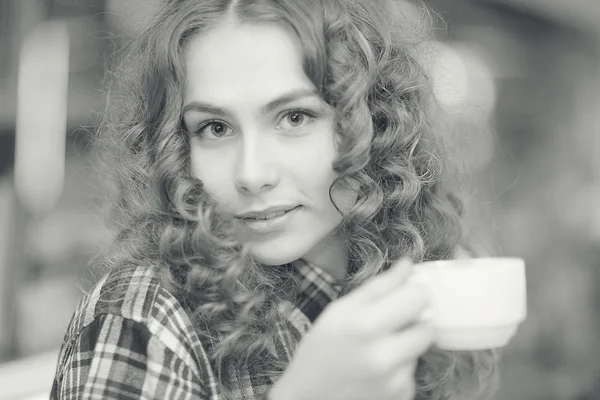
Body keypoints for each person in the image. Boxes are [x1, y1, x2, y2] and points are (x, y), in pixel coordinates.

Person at [51, 0, 499, 399]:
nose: (252, 174)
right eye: (216, 128)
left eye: (294, 117)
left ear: (375, 124)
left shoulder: (390, 295)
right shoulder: (146, 314)